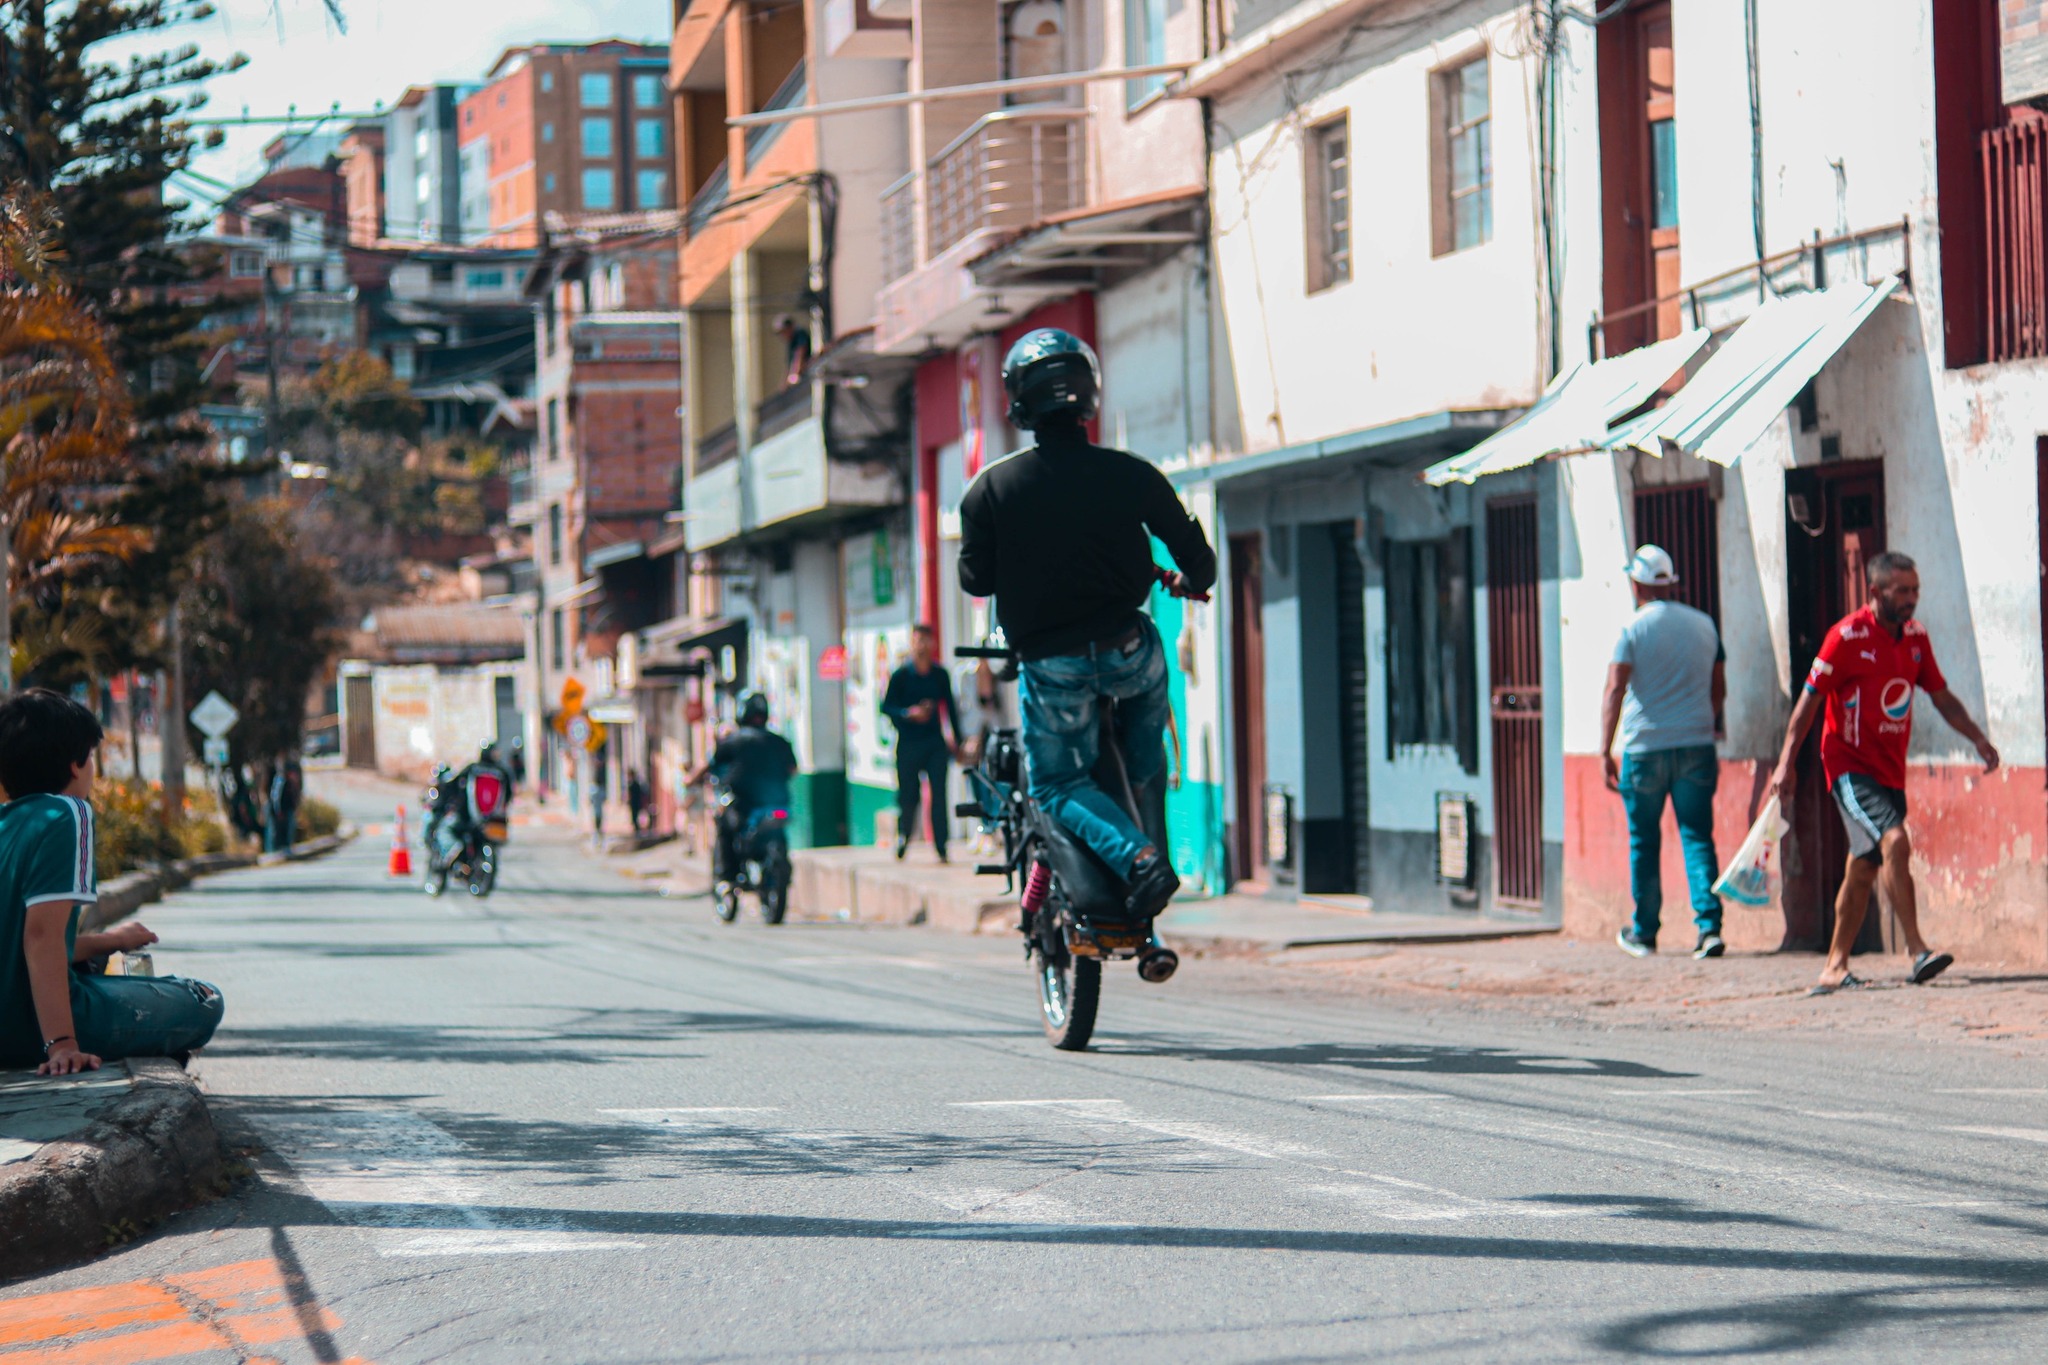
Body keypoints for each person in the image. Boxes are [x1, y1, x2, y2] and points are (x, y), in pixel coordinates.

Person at [958, 328, 1217, 919]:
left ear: (1019, 401)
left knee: (1053, 785)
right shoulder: (1133, 475)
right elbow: (1199, 565)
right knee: (1146, 760)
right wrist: (1182, 579)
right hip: (1132, 653)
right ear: (1089, 395)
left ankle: (1141, 860)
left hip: (1054, 668)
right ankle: (1150, 838)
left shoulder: (990, 491)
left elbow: (975, 581)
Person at [1768, 551, 1999, 994]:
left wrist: (1978, 739)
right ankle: (1917, 950)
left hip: (1891, 770)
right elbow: (1808, 704)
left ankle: (1834, 966)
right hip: (1850, 768)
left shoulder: (1915, 637)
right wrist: (1786, 764)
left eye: (1915, 590)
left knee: (1864, 866)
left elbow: (1941, 695)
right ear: (1875, 592)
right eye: (1902, 591)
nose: (1912, 599)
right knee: (1895, 840)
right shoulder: (1846, 637)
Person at [0, 689, 223, 1075]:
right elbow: (41, 939)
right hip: (35, 1029)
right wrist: (63, 1045)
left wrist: (113, 940)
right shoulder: (69, 814)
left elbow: (19, 946)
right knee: (202, 998)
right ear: (76, 764)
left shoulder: (7, 823)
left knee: (98, 961)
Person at [1600, 546, 1728, 960]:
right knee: (1696, 837)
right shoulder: (1705, 625)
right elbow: (1718, 685)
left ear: (1636, 584)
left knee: (1644, 841)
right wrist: (1705, 721)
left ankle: (1645, 931)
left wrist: (1604, 748)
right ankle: (1708, 929)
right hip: (1696, 744)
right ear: (1669, 582)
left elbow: (1615, 689)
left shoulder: (1631, 629)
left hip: (1644, 748)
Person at [686, 693, 797, 887]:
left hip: (743, 804)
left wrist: (691, 780)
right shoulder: (779, 741)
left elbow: (710, 765)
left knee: (724, 829)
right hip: (777, 802)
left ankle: (726, 877)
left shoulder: (733, 741)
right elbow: (793, 769)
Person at [882, 625, 961, 863]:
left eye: (927, 640)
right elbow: (886, 706)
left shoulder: (940, 675)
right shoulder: (901, 676)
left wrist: (957, 739)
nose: (922, 646)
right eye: (918, 641)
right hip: (908, 743)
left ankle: (941, 845)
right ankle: (904, 836)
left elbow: (951, 709)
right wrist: (909, 713)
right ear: (911, 644)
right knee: (908, 795)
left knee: (939, 795)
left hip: (934, 742)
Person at [266, 755, 303, 854]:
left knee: (289, 830)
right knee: (276, 832)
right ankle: (274, 851)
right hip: (282, 811)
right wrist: (278, 810)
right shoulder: (281, 781)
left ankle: (287, 848)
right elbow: (276, 797)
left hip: (288, 810)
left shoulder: (290, 783)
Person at [774, 314, 812, 388]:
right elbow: (789, 364)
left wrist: (794, 376)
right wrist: (785, 383)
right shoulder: (791, 344)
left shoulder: (800, 334)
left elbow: (800, 353)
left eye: (783, 332)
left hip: (809, 371)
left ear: (789, 327)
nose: (783, 335)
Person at [626, 769, 650, 834]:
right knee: (634, 816)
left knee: (635, 816)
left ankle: (637, 829)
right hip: (634, 803)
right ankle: (636, 828)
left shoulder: (635, 784)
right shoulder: (632, 784)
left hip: (635, 803)